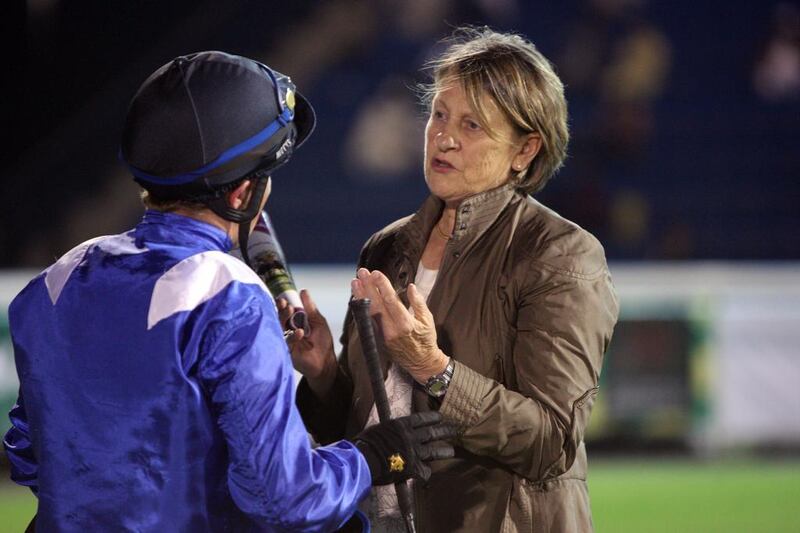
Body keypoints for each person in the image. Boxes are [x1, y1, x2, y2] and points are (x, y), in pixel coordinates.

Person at [2, 51, 454, 532]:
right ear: (241, 196)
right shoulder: (228, 294)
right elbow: (284, 499)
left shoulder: (60, 278)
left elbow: (31, 456)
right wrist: (371, 456)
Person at [285, 28, 619, 532]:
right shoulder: (387, 246)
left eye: (473, 125)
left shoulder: (561, 254)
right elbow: (362, 430)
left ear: (525, 150)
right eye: (439, 114)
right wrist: (323, 373)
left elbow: (550, 442)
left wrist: (434, 367)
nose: (444, 137)